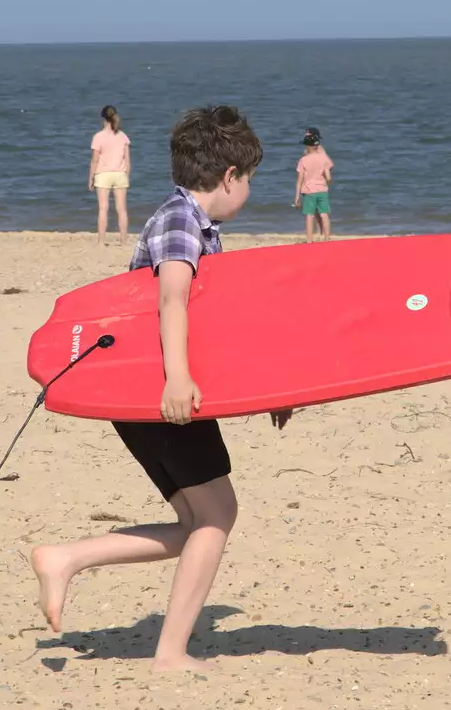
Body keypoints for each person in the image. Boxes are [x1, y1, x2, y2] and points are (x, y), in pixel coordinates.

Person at [32, 104, 289, 672]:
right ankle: (170, 652)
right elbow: (172, 298)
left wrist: (272, 390)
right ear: (230, 177)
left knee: (195, 526)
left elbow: (212, 329)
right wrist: (176, 379)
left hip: (146, 393)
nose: (248, 190)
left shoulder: (195, 223)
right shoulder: (182, 222)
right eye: (248, 180)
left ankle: (66, 558)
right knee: (218, 514)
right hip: (159, 392)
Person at [88, 105, 132, 244]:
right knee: (122, 209)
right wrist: (126, 175)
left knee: (103, 209)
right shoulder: (123, 136)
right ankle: (123, 240)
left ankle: (101, 241)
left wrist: (90, 178)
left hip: (103, 175)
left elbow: (95, 160)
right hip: (120, 174)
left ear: (103, 119)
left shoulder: (98, 137)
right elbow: (127, 160)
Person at [293, 126, 334, 241]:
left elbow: (329, 165)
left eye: (307, 135)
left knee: (313, 213)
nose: (306, 136)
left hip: (311, 187)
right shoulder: (315, 151)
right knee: (320, 213)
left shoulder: (319, 151)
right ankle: (324, 235)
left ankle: (317, 236)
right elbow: (327, 168)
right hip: (320, 186)